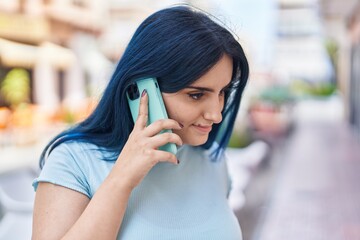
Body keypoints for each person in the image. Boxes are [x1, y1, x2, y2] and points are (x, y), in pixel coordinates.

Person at [32, 5, 249, 240]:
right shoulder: (74, 160)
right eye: (196, 95)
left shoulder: (212, 160)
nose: (216, 115)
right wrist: (121, 179)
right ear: (142, 88)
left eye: (223, 92)